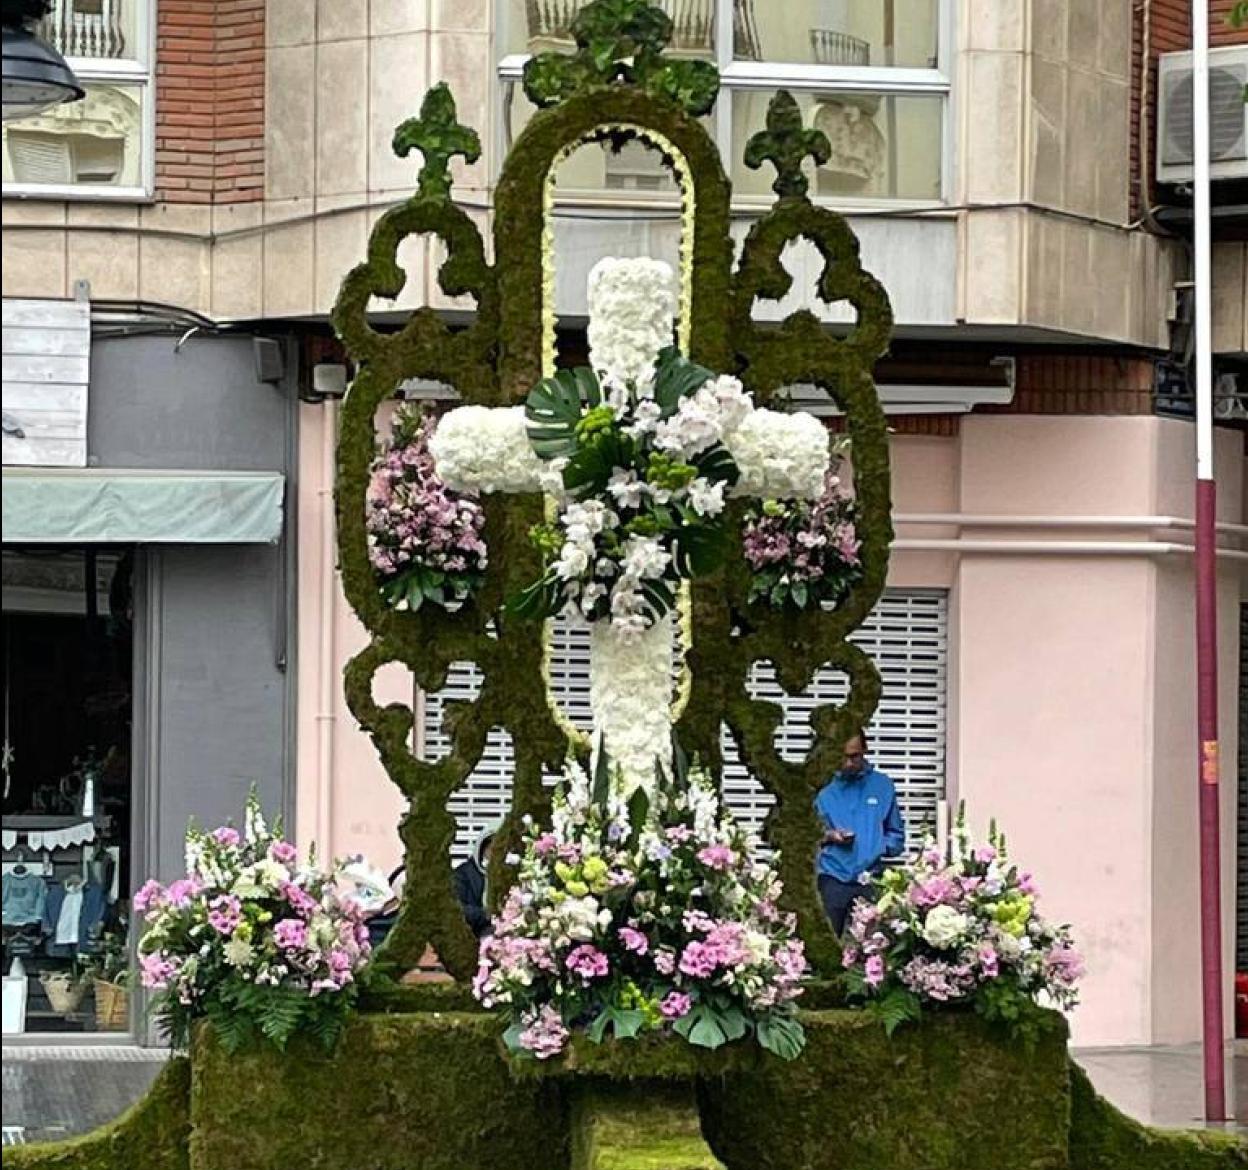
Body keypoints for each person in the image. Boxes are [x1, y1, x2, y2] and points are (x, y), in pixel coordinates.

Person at [814, 728, 905, 934]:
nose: (848, 763)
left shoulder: (883, 786)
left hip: (871, 879)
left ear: (864, 750)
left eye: (854, 756)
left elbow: (897, 837)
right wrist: (830, 836)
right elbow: (803, 834)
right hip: (832, 878)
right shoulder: (820, 787)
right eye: (842, 757)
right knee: (828, 946)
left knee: (873, 951)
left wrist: (877, 845)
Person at [452, 825, 497, 939]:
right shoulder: (463, 874)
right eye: (492, 849)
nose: (495, 855)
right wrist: (485, 915)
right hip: (473, 933)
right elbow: (458, 907)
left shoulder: (508, 872)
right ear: (482, 850)